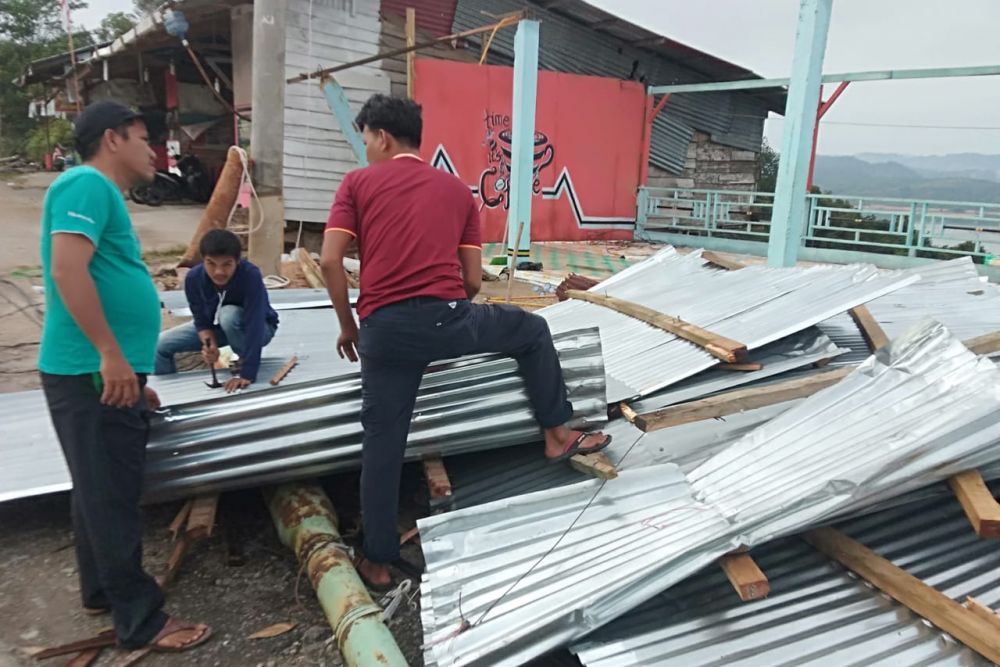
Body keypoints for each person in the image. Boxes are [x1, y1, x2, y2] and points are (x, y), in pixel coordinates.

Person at [320, 94, 611, 590]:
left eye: (366, 138)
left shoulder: (357, 183)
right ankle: (558, 434)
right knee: (531, 330)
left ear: (382, 137)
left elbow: (329, 262)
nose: (366, 147)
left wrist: (349, 326)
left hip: (384, 334)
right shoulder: (457, 191)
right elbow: (473, 281)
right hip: (447, 323)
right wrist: (447, 317)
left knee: (383, 444)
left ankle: (378, 560)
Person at [38, 100, 211, 652]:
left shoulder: (96, 191)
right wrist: (110, 356)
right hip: (91, 367)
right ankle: (140, 619)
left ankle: (102, 591)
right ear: (113, 139)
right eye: (143, 138)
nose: (152, 150)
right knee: (111, 491)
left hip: (100, 369)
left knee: (96, 486)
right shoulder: (85, 185)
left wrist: (132, 373)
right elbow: (68, 270)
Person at [154, 228, 279, 392]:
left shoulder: (250, 276)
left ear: (237, 262)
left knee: (228, 314)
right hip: (220, 327)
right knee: (159, 345)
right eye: (211, 264)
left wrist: (247, 372)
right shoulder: (193, 279)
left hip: (259, 328)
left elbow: (255, 323)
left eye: (227, 264)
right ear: (203, 261)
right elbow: (200, 320)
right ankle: (168, 395)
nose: (219, 272)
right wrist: (208, 342)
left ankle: (241, 360)